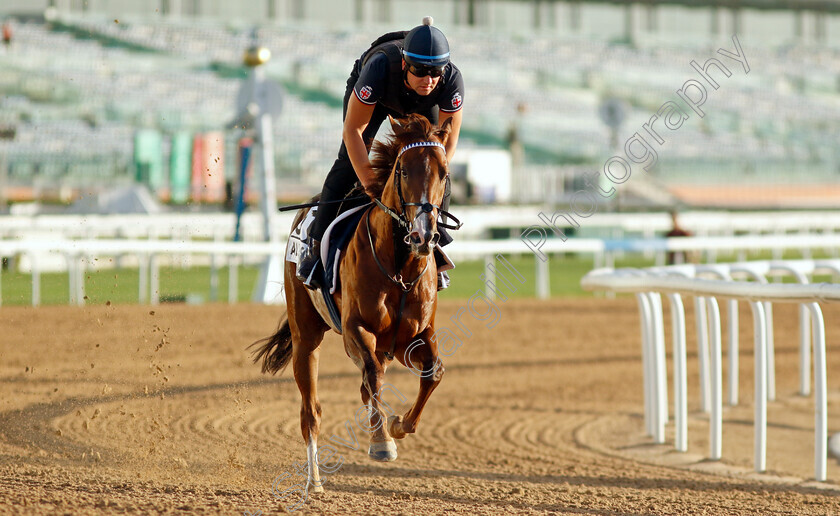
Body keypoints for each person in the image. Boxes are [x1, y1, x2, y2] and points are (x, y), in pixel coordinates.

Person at [296, 16, 464, 290]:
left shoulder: (451, 80)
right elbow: (353, 132)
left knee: (434, 173)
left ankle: (435, 245)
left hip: (419, 107)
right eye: (420, 70)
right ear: (404, 64)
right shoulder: (379, 68)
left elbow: (447, 145)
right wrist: (370, 184)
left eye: (436, 72)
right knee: (348, 166)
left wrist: (434, 176)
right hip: (379, 93)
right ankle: (315, 252)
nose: (429, 80)